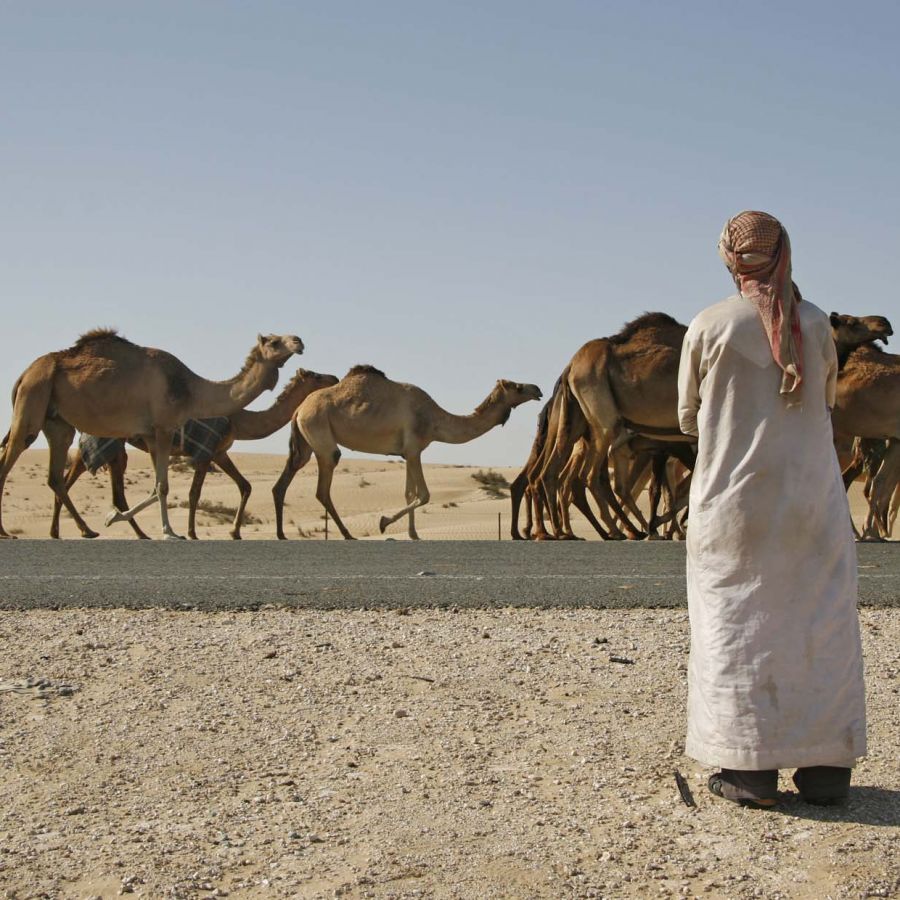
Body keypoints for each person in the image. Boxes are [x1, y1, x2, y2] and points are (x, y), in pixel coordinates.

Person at [677, 210, 866, 808]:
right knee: (821, 627)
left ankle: (747, 772)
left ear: (729, 257)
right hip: (811, 506)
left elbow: (688, 417)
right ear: (785, 252)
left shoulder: (708, 325)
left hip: (733, 507)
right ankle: (825, 769)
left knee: (736, 627)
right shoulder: (815, 325)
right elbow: (828, 400)